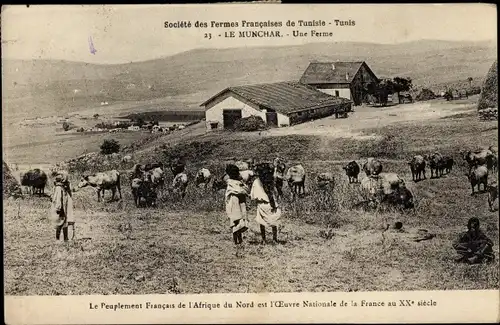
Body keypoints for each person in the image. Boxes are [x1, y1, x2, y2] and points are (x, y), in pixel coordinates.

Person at [251, 163, 282, 244]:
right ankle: (274, 239)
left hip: (262, 204)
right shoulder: (271, 181)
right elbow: (277, 192)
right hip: (272, 204)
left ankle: (263, 240)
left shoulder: (256, 182)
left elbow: (253, 196)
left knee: (262, 222)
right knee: (274, 221)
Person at [225, 164, 249, 245]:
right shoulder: (234, 183)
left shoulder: (232, 182)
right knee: (237, 221)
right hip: (236, 203)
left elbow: (242, 190)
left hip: (236, 202)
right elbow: (242, 190)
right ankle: (238, 240)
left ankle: (237, 240)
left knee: (236, 221)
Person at [49, 171, 75, 242]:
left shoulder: (63, 188)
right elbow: (58, 199)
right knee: (60, 222)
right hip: (60, 208)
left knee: (65, 221)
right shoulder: (59, 188)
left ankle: (65, 239)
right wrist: (59, 208)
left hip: (64, 207)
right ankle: (57, 239)